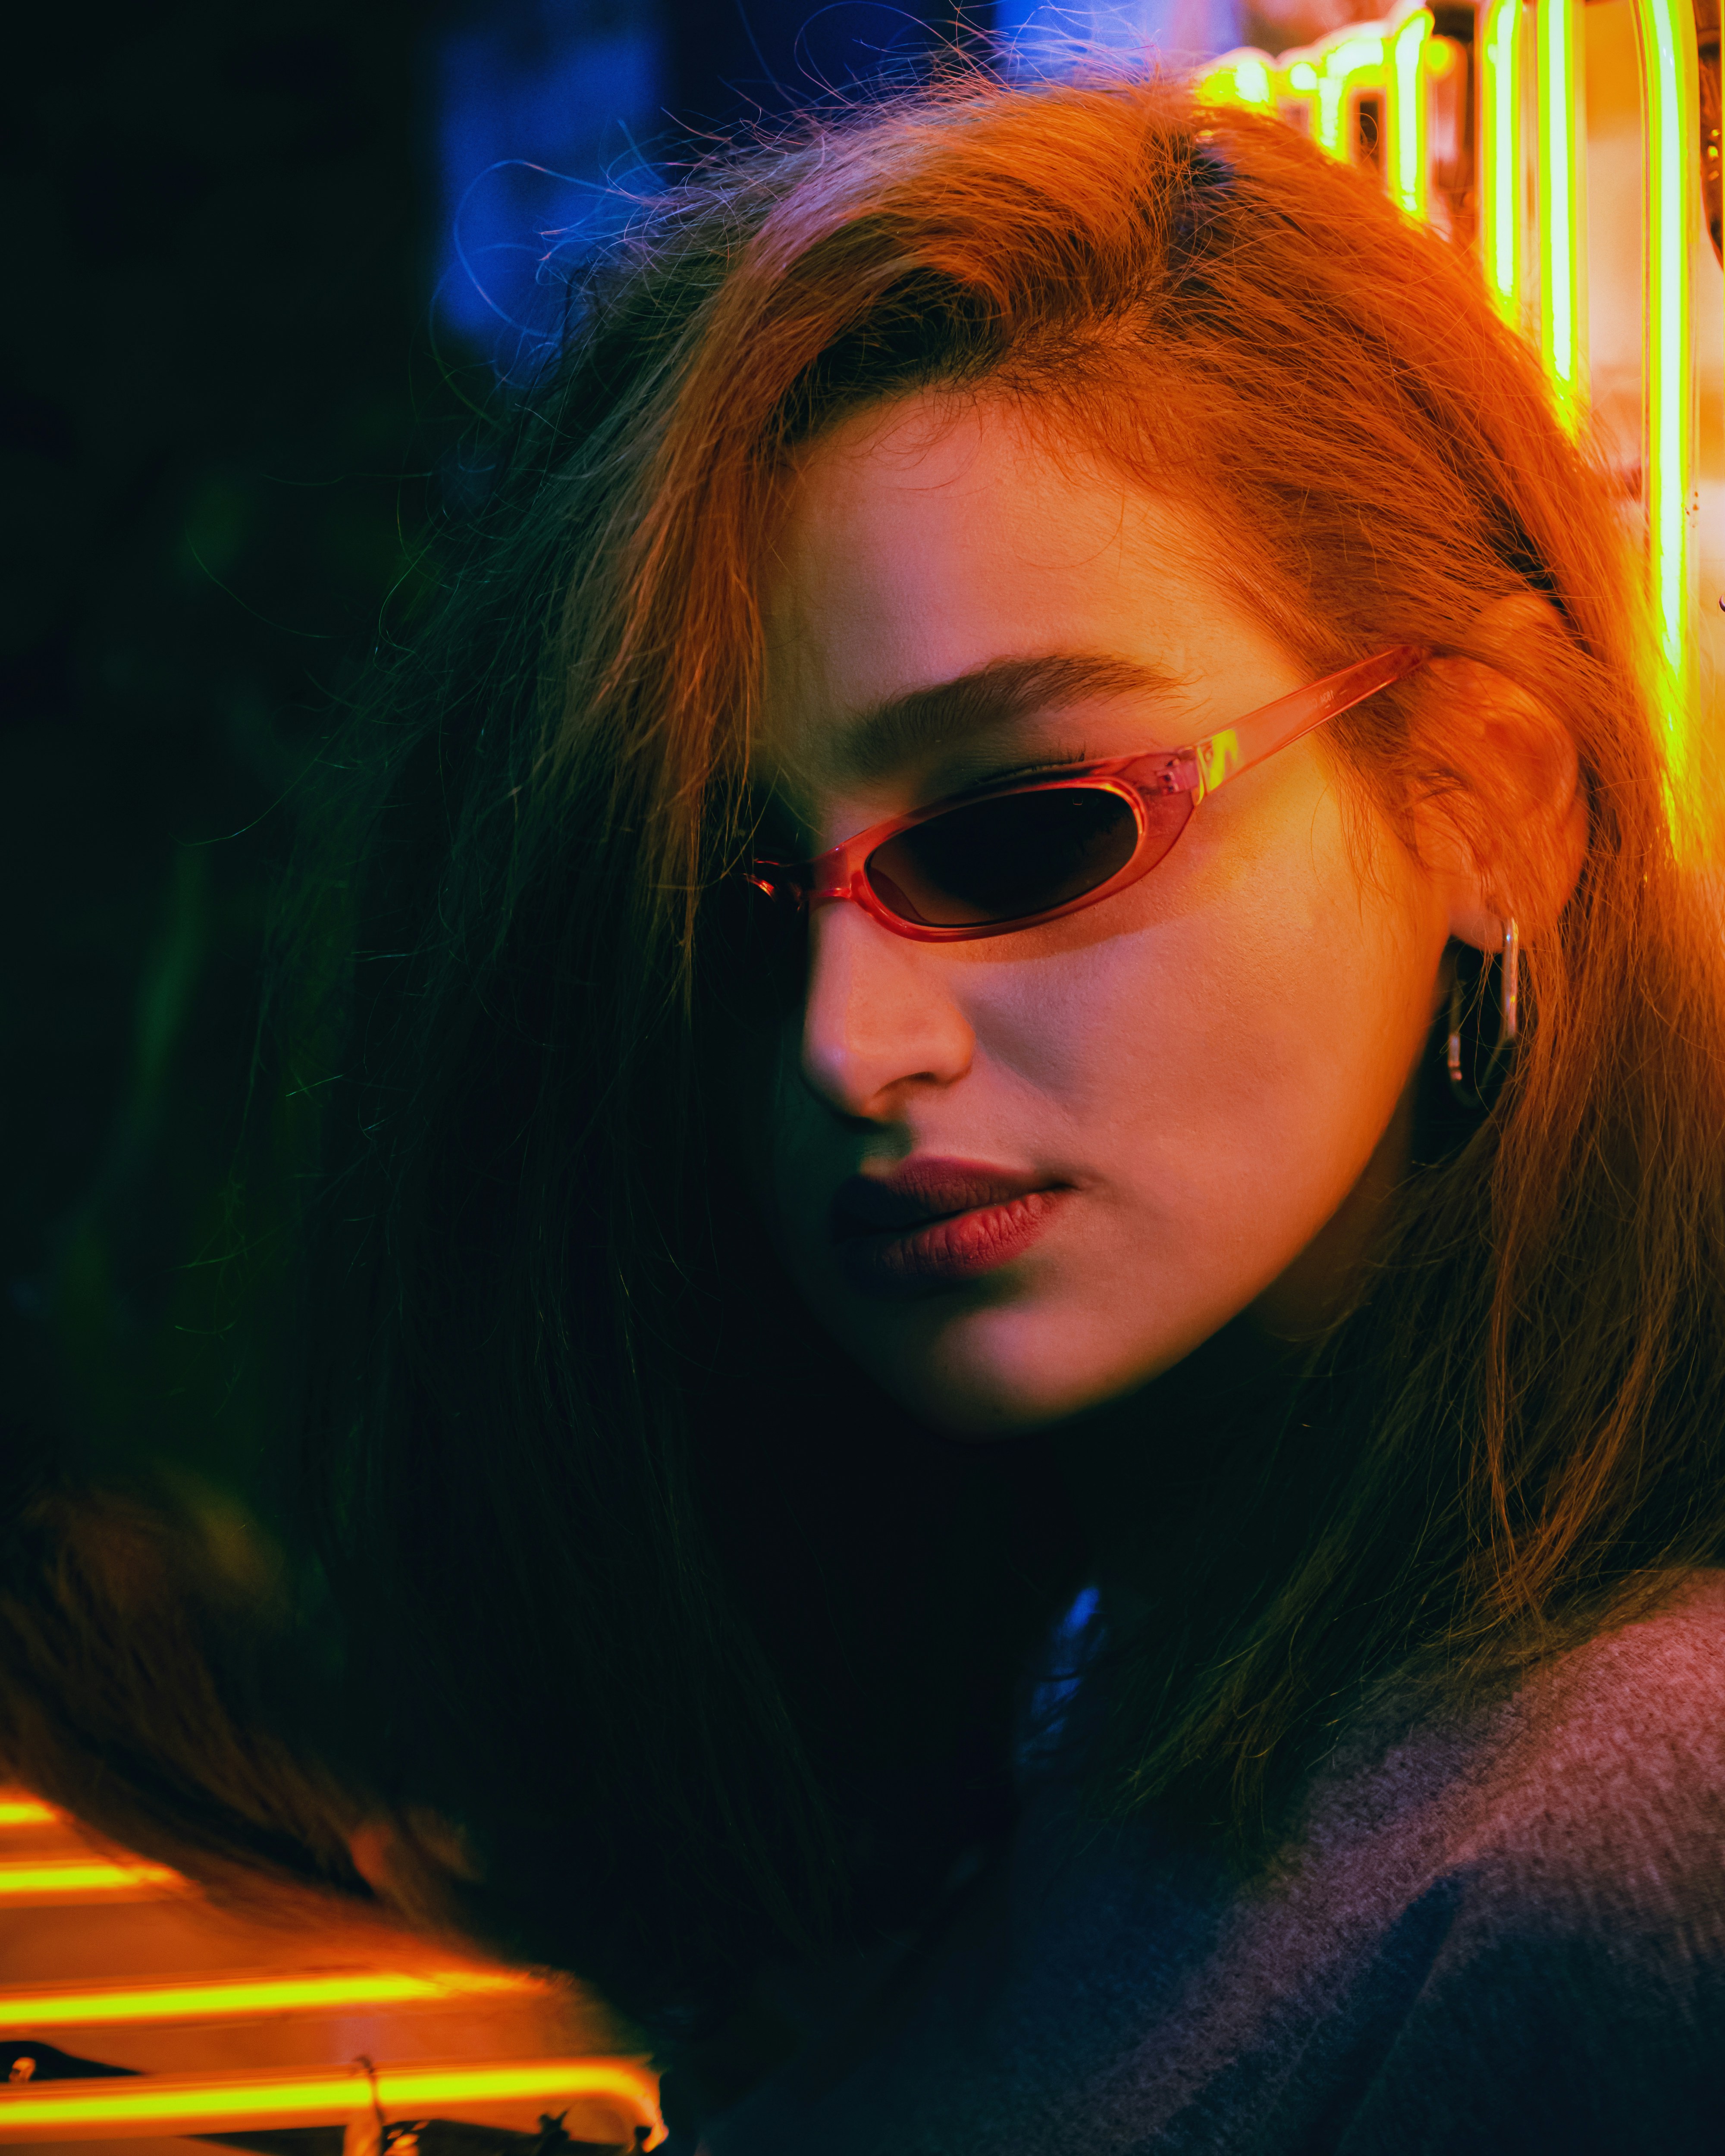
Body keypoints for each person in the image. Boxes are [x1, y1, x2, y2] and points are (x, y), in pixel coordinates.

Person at [6, 66, 1725, 2154]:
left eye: (1019, 836)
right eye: (723, 913)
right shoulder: (1106, 1668)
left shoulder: (1605, 1862)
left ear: (1489, 799)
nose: (844, 1040)